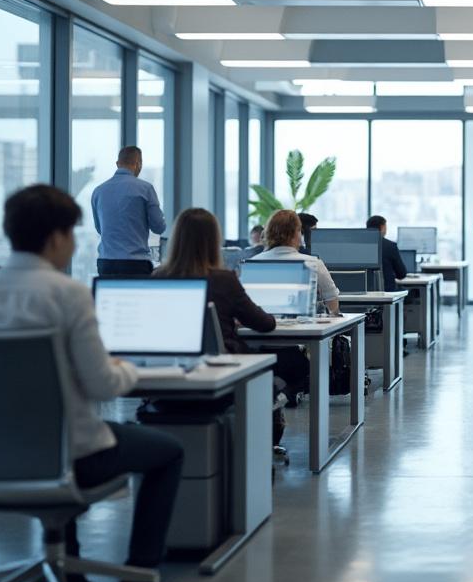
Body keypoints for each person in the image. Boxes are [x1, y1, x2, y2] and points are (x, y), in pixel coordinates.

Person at [0, 185, 183, 582]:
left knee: (51, 433)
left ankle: (67, 575)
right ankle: (137, 581)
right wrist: (127, 367)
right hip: (71, 458)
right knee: (168, 452)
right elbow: (104, 384)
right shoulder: (67, 294)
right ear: (55, 238)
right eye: (72, 233)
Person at [153, 209, 299, 444]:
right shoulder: (223, 279)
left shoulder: (157, 278)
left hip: (168, 374)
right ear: (213, 242)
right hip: (222, 371)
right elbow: (264, 323)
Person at [91, 145, 166, 277]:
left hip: (106, 263)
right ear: (138, 164)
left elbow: (100, 229)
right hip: (135, 264)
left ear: (117, 164)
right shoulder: (145, 189)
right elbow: (159, 227)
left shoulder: (99, 191)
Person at [253, 210, 339, 314]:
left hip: (262, 327)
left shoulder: (252, 263)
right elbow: (332, 300)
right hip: (305, 328)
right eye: (299, 231)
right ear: (296, 233)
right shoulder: (313, 264)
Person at [367, 215, 407, 292]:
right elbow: (401, 274)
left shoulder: (358, 245)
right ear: (382, 227)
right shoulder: (390, 245)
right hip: (387, 293)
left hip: (364, 293)